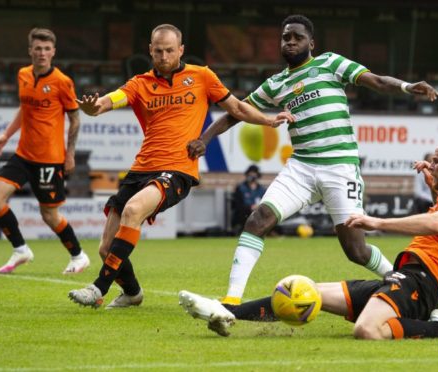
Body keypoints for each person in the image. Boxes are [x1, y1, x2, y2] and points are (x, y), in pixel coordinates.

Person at [187, 14, 438, 306]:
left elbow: (377, 81)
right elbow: (237, 112)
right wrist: (204, 140)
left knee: (356, 251)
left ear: (312, 43)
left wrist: (407, 87)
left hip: (340, 169)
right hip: (302, 168)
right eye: (286, 37)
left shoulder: (330, 63)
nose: (291, 41)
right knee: (258, 221)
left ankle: (404, 284)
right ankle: (231, 301)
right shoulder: (276, 83)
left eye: (297, 37)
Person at [67, 24, 293, 308]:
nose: (163, 56)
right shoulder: (139, 83)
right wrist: (94, 107)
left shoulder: (201, 76)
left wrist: (268, 120)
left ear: (181, 50)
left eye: (169, 50)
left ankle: (98, 288)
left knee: (133, 210)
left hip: (177, 169)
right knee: (105, 248)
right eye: (158, 50)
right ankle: (133, 293)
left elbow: (236, 107)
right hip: (140, 169)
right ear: (150, 50)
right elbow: (110, 101)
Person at [179, 137, 438, 340]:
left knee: (368, 330)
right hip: (403, 278)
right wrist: (433, 185)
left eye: (437, 162)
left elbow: (436, 223)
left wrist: (375, 221)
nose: (431, 165)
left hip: (423, 284)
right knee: (300, 291)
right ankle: (226, 311)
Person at [0, 28, 90, 275]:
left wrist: (70, 154)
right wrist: (5, 136)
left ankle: (78, 256)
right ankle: (21, 249)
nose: (42, 53)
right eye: (38, 48)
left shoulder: (62, 82)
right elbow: (25, 108)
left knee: (49, 216)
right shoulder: (23, 74)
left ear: (53, 52)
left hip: (50, 159)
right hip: (23, 154)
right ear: (30, 50)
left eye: (47, 49)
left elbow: (75, 119)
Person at [232, 165, 266, 233]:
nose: (252, 177)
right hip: (245, 214)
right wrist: (250, 207)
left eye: (254, 174)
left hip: (258, 214)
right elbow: (237, 205)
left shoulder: (262, 190)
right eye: (250, 174)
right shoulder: (241, 188)